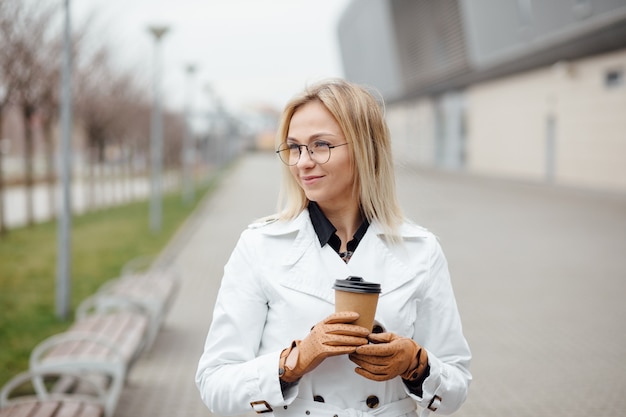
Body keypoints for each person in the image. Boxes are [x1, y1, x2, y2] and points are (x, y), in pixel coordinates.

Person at [195, 79, 471, 417]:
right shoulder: (259, 247)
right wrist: (294, 362)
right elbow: (214, 383)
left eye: (320, 145)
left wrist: (414, 363)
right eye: (294, 148)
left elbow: (456, 385)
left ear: (365, 148)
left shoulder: (421, 250)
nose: (303, 162)